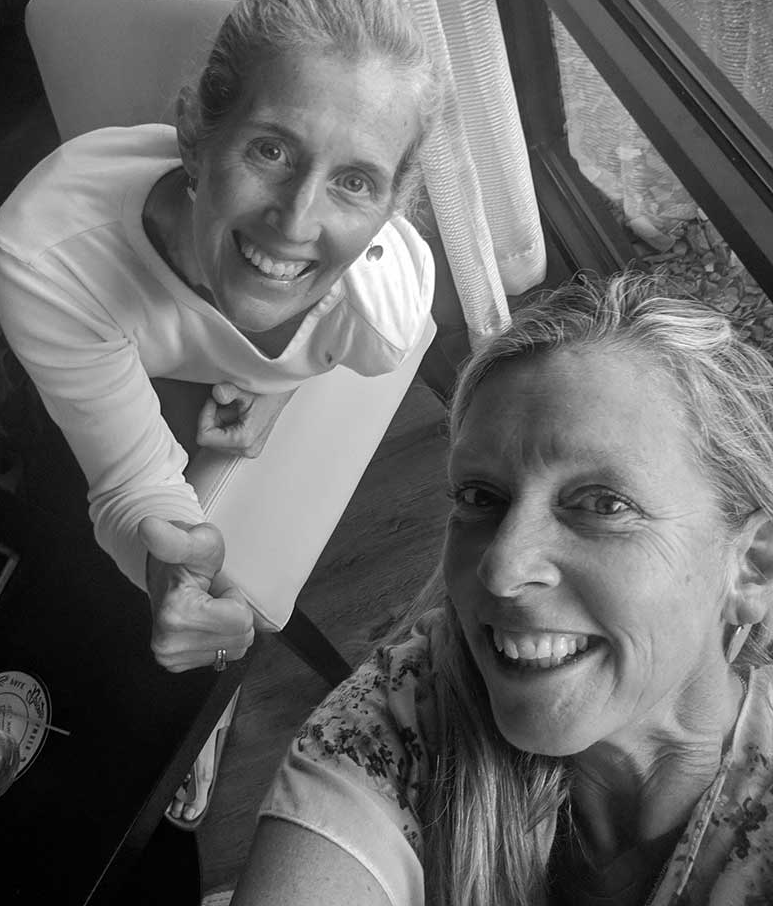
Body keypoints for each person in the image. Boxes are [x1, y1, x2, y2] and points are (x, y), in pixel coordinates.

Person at [0, 0, 442, 824]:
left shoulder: (383, 314)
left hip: (178, 359)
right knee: (50, 527)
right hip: (67, 331)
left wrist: (259, 394)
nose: (298, 221)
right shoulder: (47, 254)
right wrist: (170, 571)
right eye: (271, 149)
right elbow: (131, 487)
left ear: (389, 210)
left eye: (355, 182)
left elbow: (322, 316)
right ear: (194, 134)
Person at [233, 270, 773, 906]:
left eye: (602, 503)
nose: (500, 568)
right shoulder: (405, 715)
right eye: (479, 497)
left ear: (752, 568)